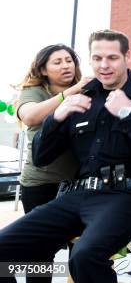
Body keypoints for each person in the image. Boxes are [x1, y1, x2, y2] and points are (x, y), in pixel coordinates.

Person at [0, 29, 131, 283]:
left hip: (127, 198)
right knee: (5, 250)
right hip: (76, 195)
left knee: (84, 255)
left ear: (128, 57)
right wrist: (56, 117)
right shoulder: (80, 98)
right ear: (90, 60)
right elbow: (40, 156)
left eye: (112, 58)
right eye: (97, 58)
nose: (104, 65)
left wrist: (128, 116)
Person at [15, 44, 91, 213]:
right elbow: (30, 117)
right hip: (41, 183)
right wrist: (70, 93)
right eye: (57, 62)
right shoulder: (34, 92)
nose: (65, 65)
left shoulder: (87, 91)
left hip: (78, 181)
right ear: (43, 70)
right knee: (43, 238)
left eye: (69, 61)